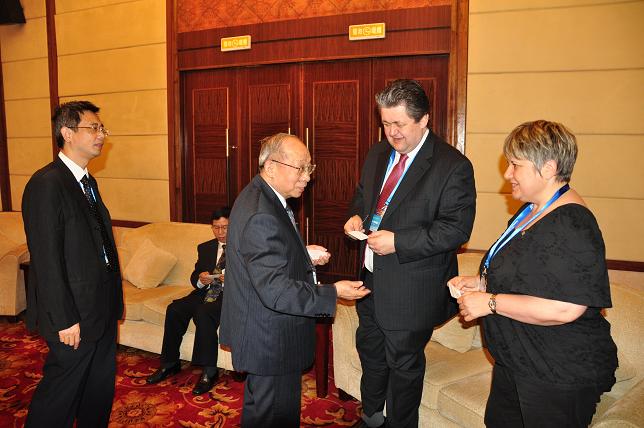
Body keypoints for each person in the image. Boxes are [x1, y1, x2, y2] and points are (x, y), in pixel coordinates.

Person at [451, 120, 618, 428]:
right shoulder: (531, 209)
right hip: (519, 360)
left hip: (556, 371)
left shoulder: (572, 223)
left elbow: (566, 307)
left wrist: (490, 302)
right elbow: (530, 274)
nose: (507, 174)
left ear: (549, 168)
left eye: (515, 165)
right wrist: (480, 282)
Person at [344, 79, 476, 428]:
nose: (391, 132)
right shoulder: (377, 153)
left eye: (399, 124)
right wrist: (356, 215)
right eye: (385, 123)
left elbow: (455, 229)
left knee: (403, 367)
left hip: (412, 288)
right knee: (370, 352)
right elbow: (363, 196)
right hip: (371, 278)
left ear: (424, 120)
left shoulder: (452, 165)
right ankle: (372, 417)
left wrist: (399, 241)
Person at [219, 132, 370, 427]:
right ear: (271, 166)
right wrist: (333, 292)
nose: (307, 177)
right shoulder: (261, 212)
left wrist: (302, 253)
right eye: (300, 168)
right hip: (270, 338)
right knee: (272, 416)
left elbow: (266, 255)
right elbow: (275, 290)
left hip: (266, 332)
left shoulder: (261, 195)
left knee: (267, 412)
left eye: (309, 168)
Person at [21, 101, 123, 427]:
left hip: (101, 307)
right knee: (59, 398)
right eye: (93, 128)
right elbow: (47, 260)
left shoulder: (87, 182)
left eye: (102, 128)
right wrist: (65, 319)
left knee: (98, 390)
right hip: (73, 315)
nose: (101, 134)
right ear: (67, 133)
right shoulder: (47, 184)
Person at [146, 207, 232, 395]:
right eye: (216, 227)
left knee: (204, 313)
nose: (220, 232)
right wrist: (201, 280)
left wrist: (231, 280)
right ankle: (169, 363)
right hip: (204, 292)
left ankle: (209, 371)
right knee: (175, 309)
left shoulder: (244, 248)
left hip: (229, 296)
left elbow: (251, 279)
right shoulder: (205, 248)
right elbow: (194, 277)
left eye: (225, 227)